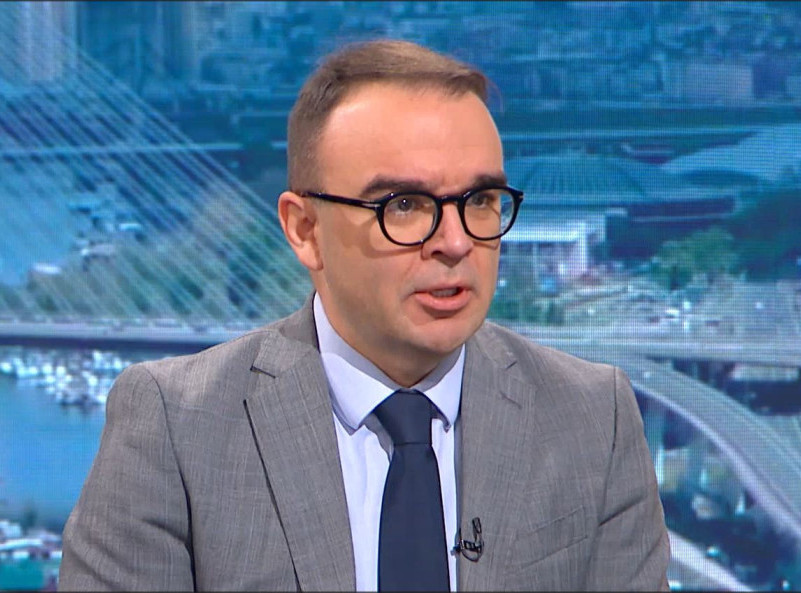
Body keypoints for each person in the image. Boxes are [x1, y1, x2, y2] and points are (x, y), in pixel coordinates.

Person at [59, 39, 670, 591]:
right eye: (404, 205)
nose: (456, 242)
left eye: (481, 200)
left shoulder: (593, 417)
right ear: (305, 230)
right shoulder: (178, 427)